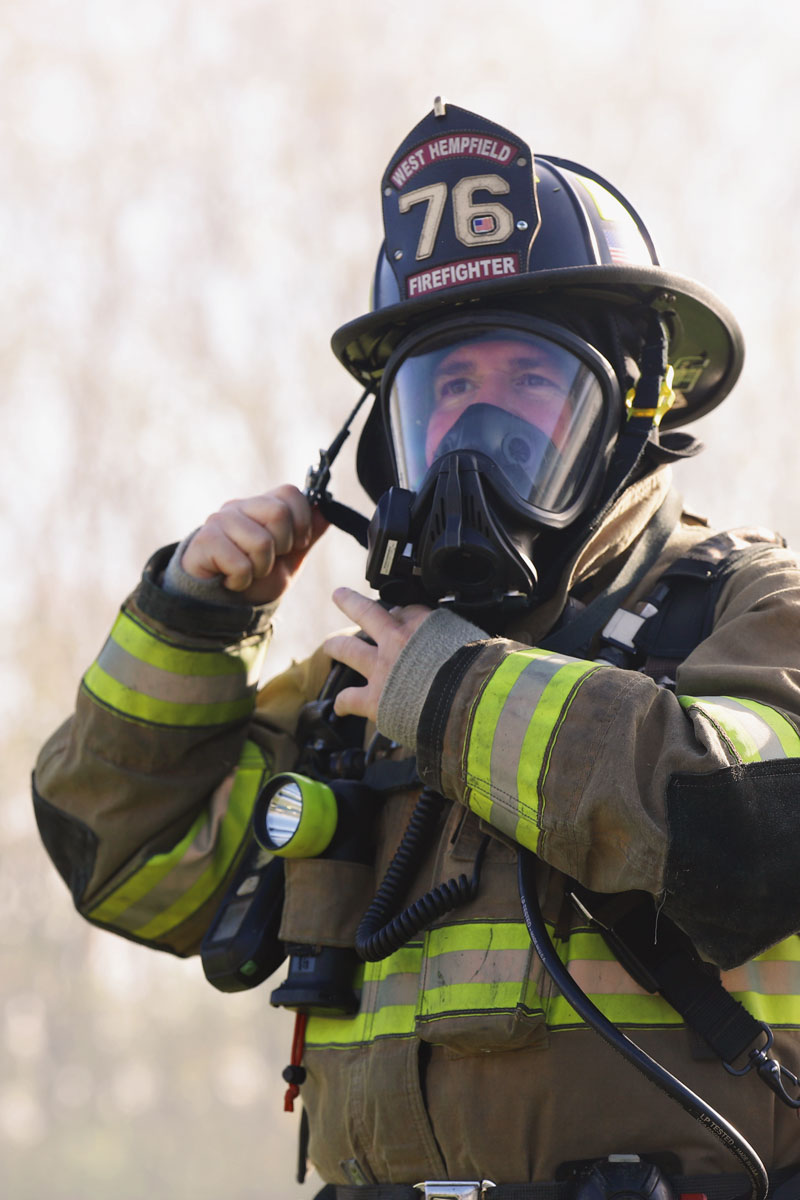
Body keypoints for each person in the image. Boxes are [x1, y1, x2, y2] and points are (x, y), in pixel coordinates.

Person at [33, 100, 800, 1199]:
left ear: (635, 409)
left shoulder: (747, 607)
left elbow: (748, 836)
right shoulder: (367, 679)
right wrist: (189, 624)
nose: (476, 443)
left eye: (530, 386)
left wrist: (451, 699)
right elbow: (123, 861)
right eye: (449, 393)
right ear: (393, 434)